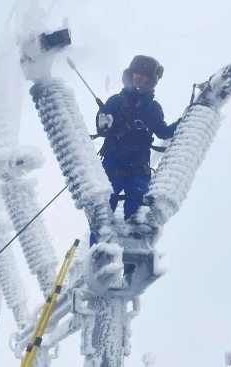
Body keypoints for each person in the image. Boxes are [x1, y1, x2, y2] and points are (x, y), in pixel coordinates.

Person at [90, 55, 180, 246]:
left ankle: (130, 269)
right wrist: (102, 123)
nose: (139, 77)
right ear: (130, 75)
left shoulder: (154, 108)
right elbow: (102, 130)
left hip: (138, 171)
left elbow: (163, 132)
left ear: (150, 80)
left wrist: (185, 119)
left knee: (137, 222)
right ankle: (96, 255)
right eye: (136, 73)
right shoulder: (114, 102)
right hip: (112, 166)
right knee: (102, 219)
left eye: (143, 75)